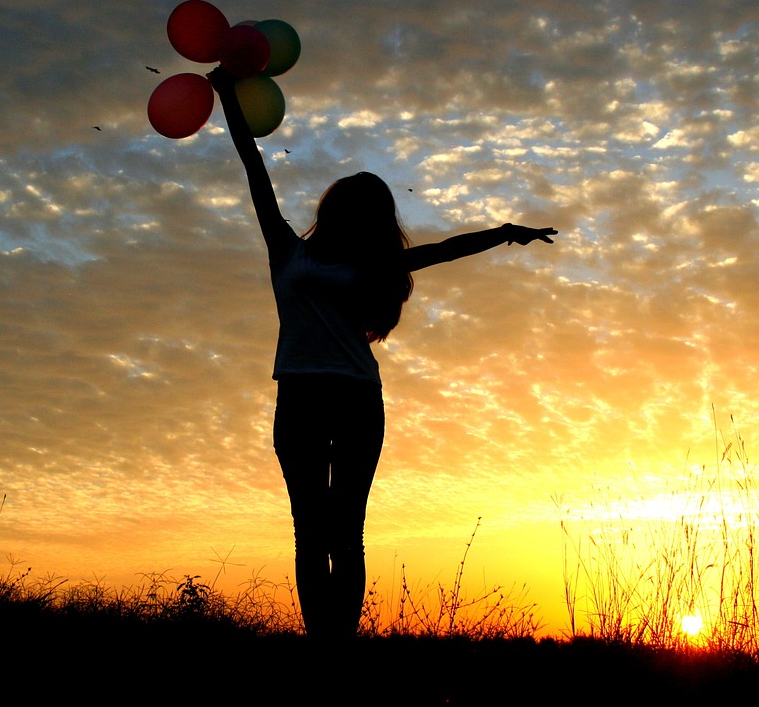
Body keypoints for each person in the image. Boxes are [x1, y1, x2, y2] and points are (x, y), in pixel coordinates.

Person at [209, 68, 558, 637]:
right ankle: (321, 639)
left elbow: (445, 250)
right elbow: (255, 172)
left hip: (354, 399)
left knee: (345, 529)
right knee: (309, 529)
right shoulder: (286, 251)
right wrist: (227, 97)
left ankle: (338, 644)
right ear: (336, 208)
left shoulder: (372, 266)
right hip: (298, 397)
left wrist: (507, 232)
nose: (361, 220)